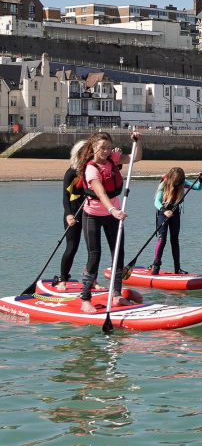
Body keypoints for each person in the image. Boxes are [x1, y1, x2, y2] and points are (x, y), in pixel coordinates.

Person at [75, 131, 142, 314]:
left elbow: (134, 158)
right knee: (94, 255)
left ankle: (117, 294)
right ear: (94, 147)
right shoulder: (90, 168)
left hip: (114, 214)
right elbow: (101, 193)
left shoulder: (112, 158)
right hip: (93, 215)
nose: (105, 151)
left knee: (118, 254)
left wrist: (137, 142)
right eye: (102, 148)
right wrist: (113, 210)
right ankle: (85, 298)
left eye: (108, 148)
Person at [150, 168, 202, 275]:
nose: (177, 184)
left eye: (179, 182)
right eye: (175, 182)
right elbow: (156, 201)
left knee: (175, 240)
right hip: (163, 212)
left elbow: (198, 187)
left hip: (175, 213)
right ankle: (156, 266)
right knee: (162, 238)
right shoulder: (164, 183)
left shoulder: (182, 182)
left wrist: (201, 178)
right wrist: (165, 211)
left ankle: (177, 268)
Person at [56, 139, 88, 290]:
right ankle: (63, 279)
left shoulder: (92, 170)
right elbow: (65, 197)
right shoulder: (71, 172)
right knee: (71, 247)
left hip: (88, 212)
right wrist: (69, 215)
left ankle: (90, 279)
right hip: (73, 213)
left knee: (93, 248)